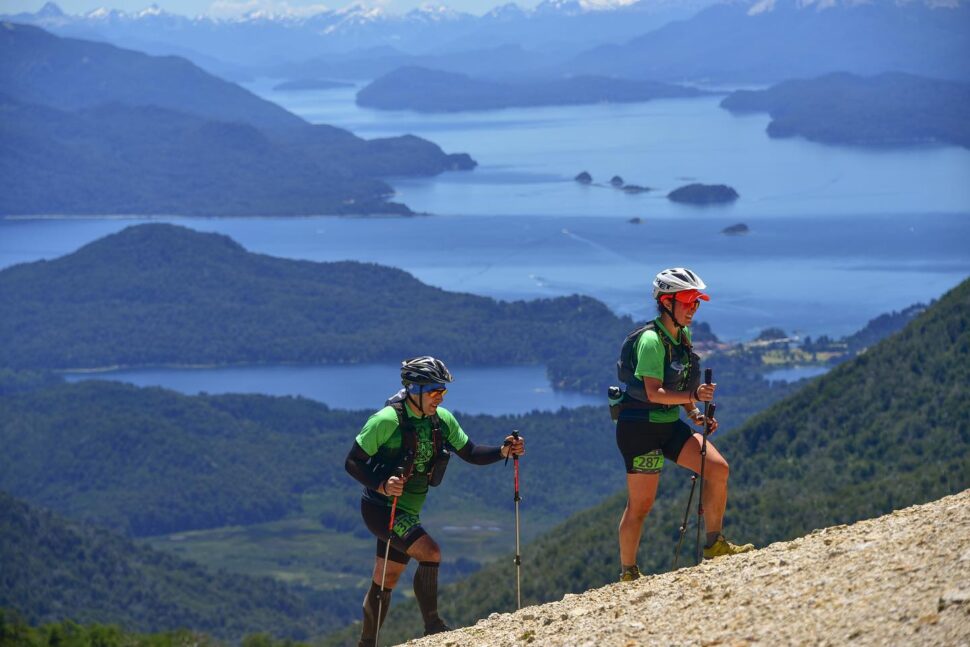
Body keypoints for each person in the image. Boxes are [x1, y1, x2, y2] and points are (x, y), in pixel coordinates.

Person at [344, 356, 525, 646]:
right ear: (413, 390)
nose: (439, 398)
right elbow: (352, 462)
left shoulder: (442, 421)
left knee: (386, 578)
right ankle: (433, 627)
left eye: (443, 391)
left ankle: (366, 643)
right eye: (433, 391)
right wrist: (381, 484)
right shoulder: (386, 421)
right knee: (431, 552)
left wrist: (503, 452)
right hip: (381, 508)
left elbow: (471, 452)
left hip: (407, 510)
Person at [614, 267, 753, 581]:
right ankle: (628, 573)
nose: (694, 308)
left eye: (697, 302)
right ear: (666, 302)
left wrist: (693, 413)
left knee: (718, 469)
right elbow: (653, 392)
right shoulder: (651, 341)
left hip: (668, 423)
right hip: (640, 429)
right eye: (689, 300)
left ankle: (714, 545)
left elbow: (676, 383)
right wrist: (692, 395)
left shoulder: (681, 336)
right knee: (641, 505)